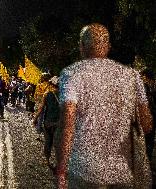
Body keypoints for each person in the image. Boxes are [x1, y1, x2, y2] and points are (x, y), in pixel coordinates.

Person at [57, 23, 153, 189]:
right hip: (123, 170)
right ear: (108, 47)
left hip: (86, 169)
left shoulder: (71, 74)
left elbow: (68, 124)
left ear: (81, 46)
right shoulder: (132, 76)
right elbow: (147, 126)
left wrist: (62, 169)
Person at [33, 76, 60, 167]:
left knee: (48, 142)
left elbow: (41, 109)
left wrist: (35, 119)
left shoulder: (46, 94)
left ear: (51, 84)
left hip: (48, 122)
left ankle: (47, 161)